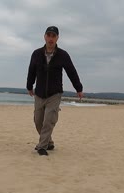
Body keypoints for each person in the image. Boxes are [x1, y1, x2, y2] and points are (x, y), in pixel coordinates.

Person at [26, 26, 83, 156]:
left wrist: (78, 88)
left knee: (48, 120)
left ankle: (42, 146)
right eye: (49, 35)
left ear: (57, 38)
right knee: (38, 121)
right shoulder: (36, 54)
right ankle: (49, 142)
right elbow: (31, 71)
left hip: (55, 93)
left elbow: (71, 72)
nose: (51, 38)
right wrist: (29, 86)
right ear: (44, 37)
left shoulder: (63, 55)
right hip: (39, 93)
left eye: (53, 36)